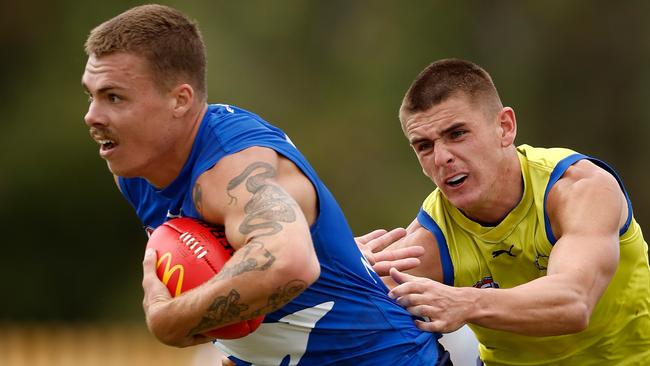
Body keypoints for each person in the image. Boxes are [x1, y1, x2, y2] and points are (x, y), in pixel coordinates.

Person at [81, 4, 449, 365]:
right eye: (91, 95)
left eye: (114, 97)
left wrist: (168, 319)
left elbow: (290, 264)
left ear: (180, 100)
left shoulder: (232, 165)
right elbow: (235, 282)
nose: (92, 116)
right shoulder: (135, 168)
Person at [360, 58, 650, 365]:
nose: (442, 157)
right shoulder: (431, 238)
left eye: (457, 134)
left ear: (505, 127)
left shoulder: (579, 189)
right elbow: (344, 307)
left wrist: (466, 302)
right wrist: (335, 260)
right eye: (424, 146)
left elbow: (573, 303)